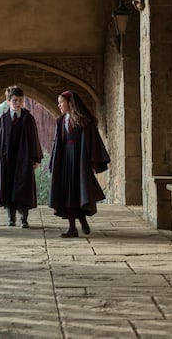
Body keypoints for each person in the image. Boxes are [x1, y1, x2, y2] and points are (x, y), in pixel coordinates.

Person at [48, 90, 110, 238]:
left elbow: (91, 142)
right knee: (68, 194)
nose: (59, 105)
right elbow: (58, 143)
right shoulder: (61, 120)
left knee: (79, 192)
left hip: (79, 161)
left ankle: (82, 220)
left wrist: (93, 162)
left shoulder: (83, 121)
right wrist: (54, 163)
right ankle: (72, 228)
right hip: (65, 162)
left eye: (61, 102)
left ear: (70, 103)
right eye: (59, 102)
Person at [0, 85, 43, 228]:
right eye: (14, 100)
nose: (18, 103)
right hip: (6, 160)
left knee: (23, 188)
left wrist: (36, 158)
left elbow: (34, 139)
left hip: (24, 159)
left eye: (20, 100)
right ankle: (11, 218)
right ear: (8, 101)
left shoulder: (28, 119)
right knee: (8, 188)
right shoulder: (1, 120)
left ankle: (24, 218)